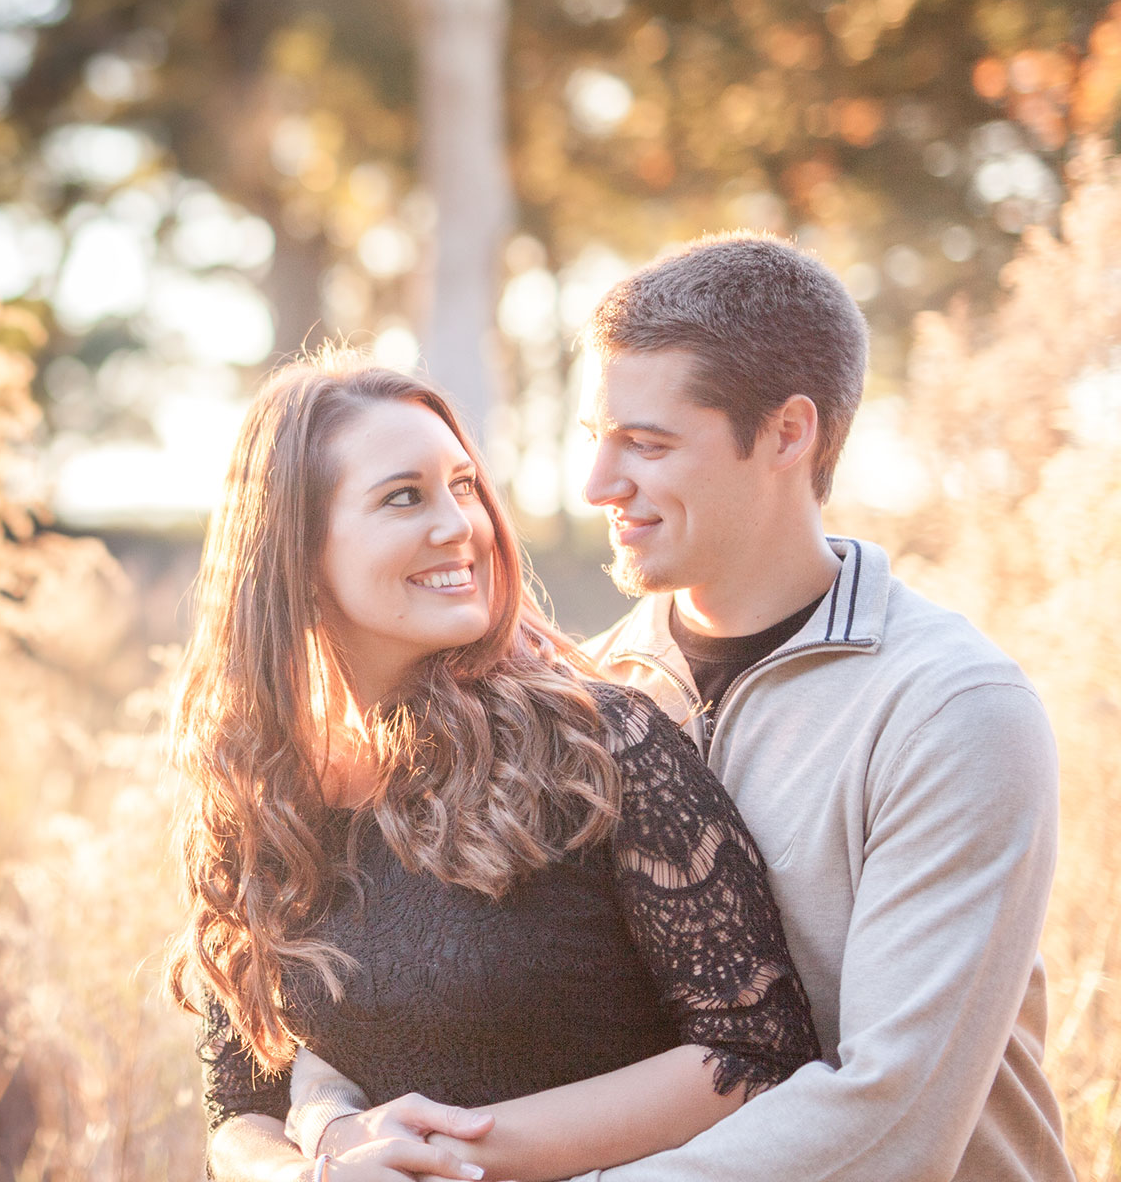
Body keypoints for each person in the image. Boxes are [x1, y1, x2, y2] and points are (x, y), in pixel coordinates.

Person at [285, 234, 1071, 1182]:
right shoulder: (581, 696)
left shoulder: (949, 712)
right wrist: (327, 1131)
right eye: (597, 439)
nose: (597, 485)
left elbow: (893, 1116)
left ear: (788, 434)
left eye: (647, 445)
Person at [174, 349, 822, 1182]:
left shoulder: (595, 746)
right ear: (294, 551)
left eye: (464, 485)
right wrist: (311, 1172)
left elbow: (756, 1051)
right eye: (403, 497)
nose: (461, 526)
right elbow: (239, 1108)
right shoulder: (258, 797)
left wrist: (446, 1155)